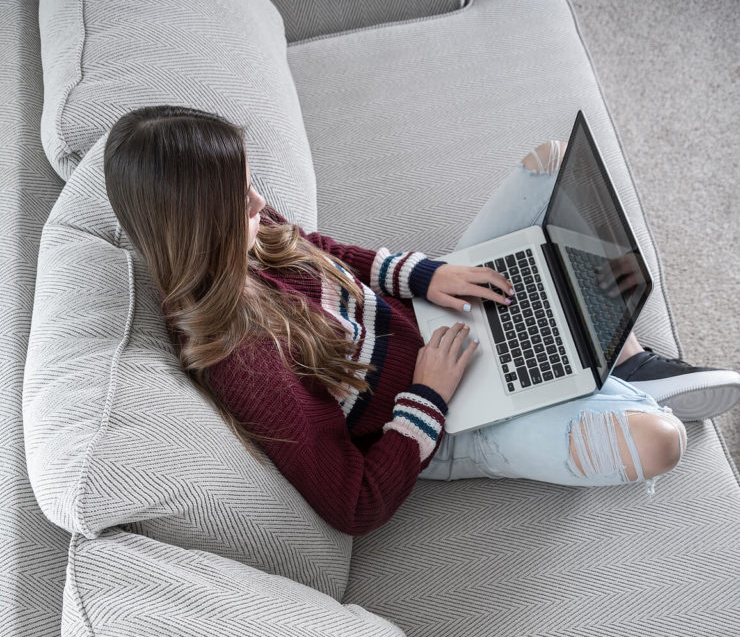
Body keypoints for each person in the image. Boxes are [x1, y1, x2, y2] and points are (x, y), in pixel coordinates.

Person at [103, 106, 740, 535]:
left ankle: (609, 360)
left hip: (432, 319)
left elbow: (316, 247)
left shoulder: (240, 236)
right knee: (660, 442)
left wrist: (428, 275)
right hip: (445, 425)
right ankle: (614, 370)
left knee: (552, 165)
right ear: (196, 228)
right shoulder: (243, 360)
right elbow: (352, 502)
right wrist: (430, 393)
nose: (260, 203)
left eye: (250, 183)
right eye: (240, 199)